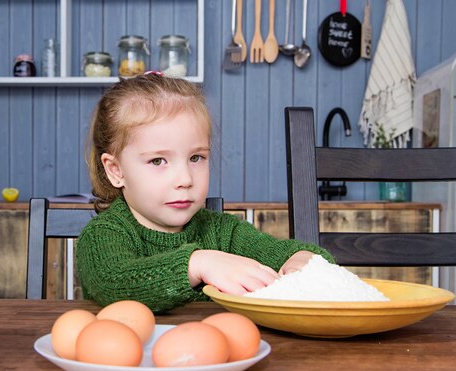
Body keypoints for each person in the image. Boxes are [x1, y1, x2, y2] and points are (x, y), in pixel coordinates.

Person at [75, 73, 334, 313]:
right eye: (158, 161)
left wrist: (304, 262)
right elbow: (114, 283)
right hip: (129, 361)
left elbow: (304, 256)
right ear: (116, 170)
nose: (185, 179)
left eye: (196, 157)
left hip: (211, 360)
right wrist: (196, 264)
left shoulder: (223, 233)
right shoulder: (103, 235)